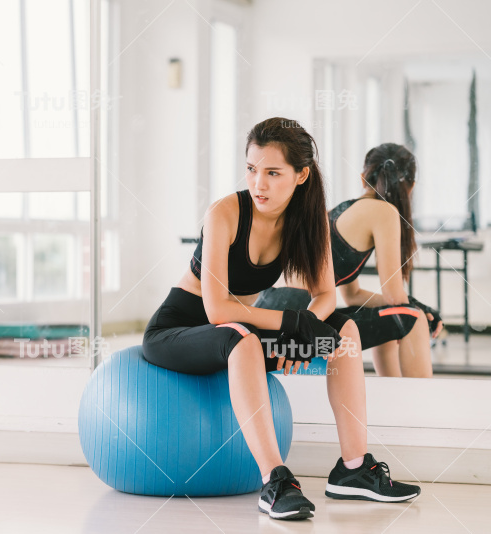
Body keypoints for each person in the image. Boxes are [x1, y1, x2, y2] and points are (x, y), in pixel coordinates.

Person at [142, 118, 420, 521]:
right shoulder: (224, 213)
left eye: (273, 173)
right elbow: (216, 310)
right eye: (253, 170)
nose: (260, 184)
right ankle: (275, 481)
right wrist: (289, 323)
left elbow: (325, 294)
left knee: (345, 329)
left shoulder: (305, 222)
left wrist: (305, 330)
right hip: (180, 330)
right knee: (242, 338)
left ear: (301, 175)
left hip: (245, 333)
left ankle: (354, 468)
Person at [255, 143, 443, 378]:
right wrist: (422, 310)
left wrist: (414, 305)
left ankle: (395, 398)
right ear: (411, 186)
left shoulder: (341, 211)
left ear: (364, 176)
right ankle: (419, 406)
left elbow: (352, 295)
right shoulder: (384, 212)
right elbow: (396, 296)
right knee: (414, 319)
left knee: (394, 313)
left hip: (272, 316)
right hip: (296, 329)